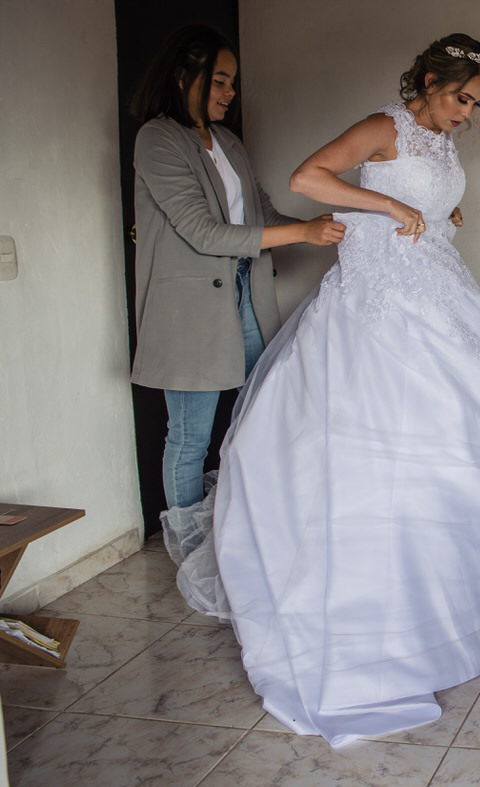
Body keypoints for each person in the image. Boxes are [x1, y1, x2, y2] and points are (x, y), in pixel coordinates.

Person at [195, 33, 480, 747]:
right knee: (366, 439)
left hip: (434, 287)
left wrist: (438, 214)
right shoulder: (386, 125)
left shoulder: (439, 139)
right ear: (430, 79)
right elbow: (310, 178)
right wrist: (385, 211)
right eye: (461, 97)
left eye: (477, 104)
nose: (467, 112)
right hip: (377, 300)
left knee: (464, 431)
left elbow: (420, 199)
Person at [130, 24, 345, 511]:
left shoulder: (228, 142)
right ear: (185, 76)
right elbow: (203, 233)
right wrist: (303, 233)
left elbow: (263, 218)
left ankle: (237, 536)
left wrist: (335, 229)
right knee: (189, 438)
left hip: (249, 301)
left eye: (233, 82)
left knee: (255, 424)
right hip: (190, 313)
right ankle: (186, 551)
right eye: (221, 81)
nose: (231, 93)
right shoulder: (157, 139)